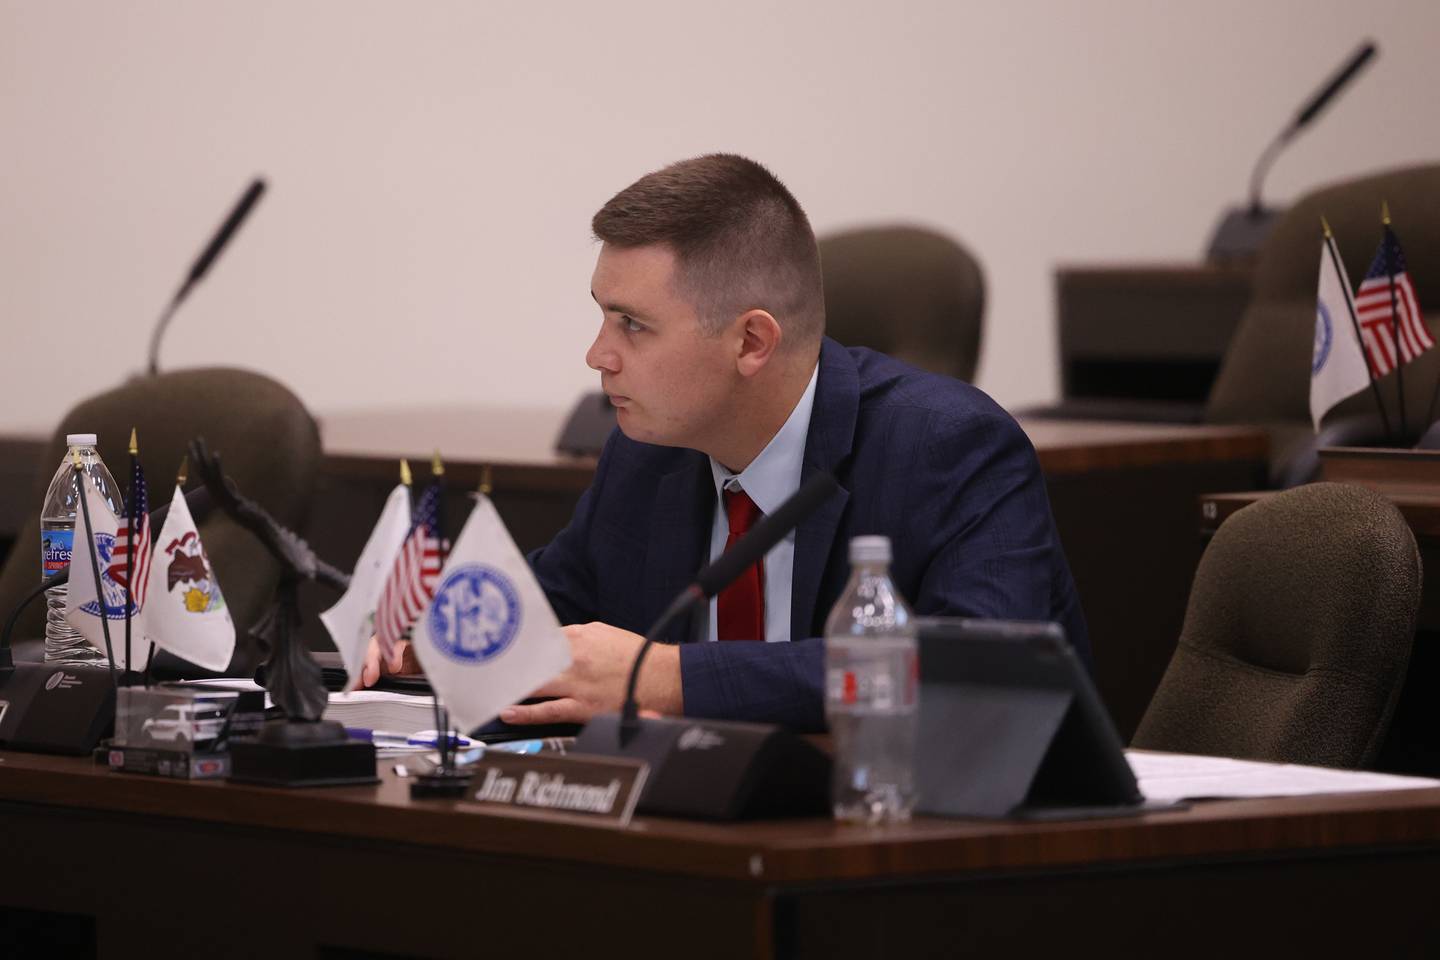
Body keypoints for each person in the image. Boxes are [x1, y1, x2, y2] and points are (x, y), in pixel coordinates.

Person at [362, 153, 1087, 732]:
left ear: (751, 342)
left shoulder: (951, 446)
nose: (597, 355)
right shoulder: (647, 453)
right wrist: (434, 638)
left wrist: (673, 679)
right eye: (601, 317)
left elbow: (983, 668)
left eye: (632, 325)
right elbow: (554, 608)